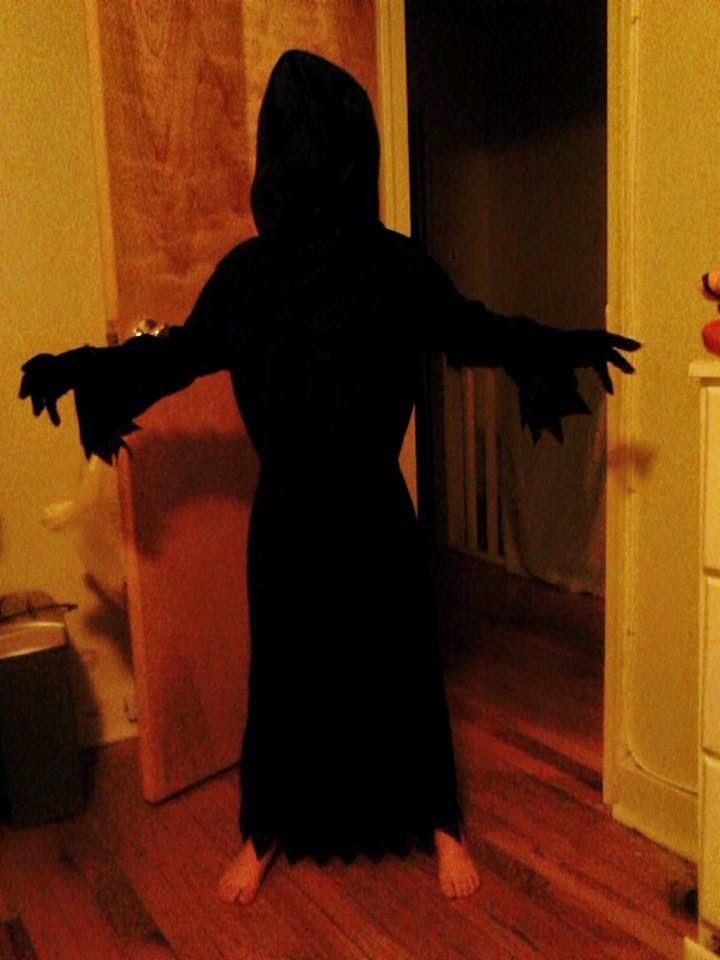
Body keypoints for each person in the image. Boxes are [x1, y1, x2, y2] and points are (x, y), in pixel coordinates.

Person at [19, 49, 639, 904]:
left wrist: (553, 346)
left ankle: (441, 821)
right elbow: (182, 354)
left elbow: (473, 328)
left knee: (400, 664)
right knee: (286, 673)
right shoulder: (247, 277)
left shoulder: (396, 267)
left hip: (375, 505)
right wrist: (89, 368)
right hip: (286, 510)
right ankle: (265, 829)